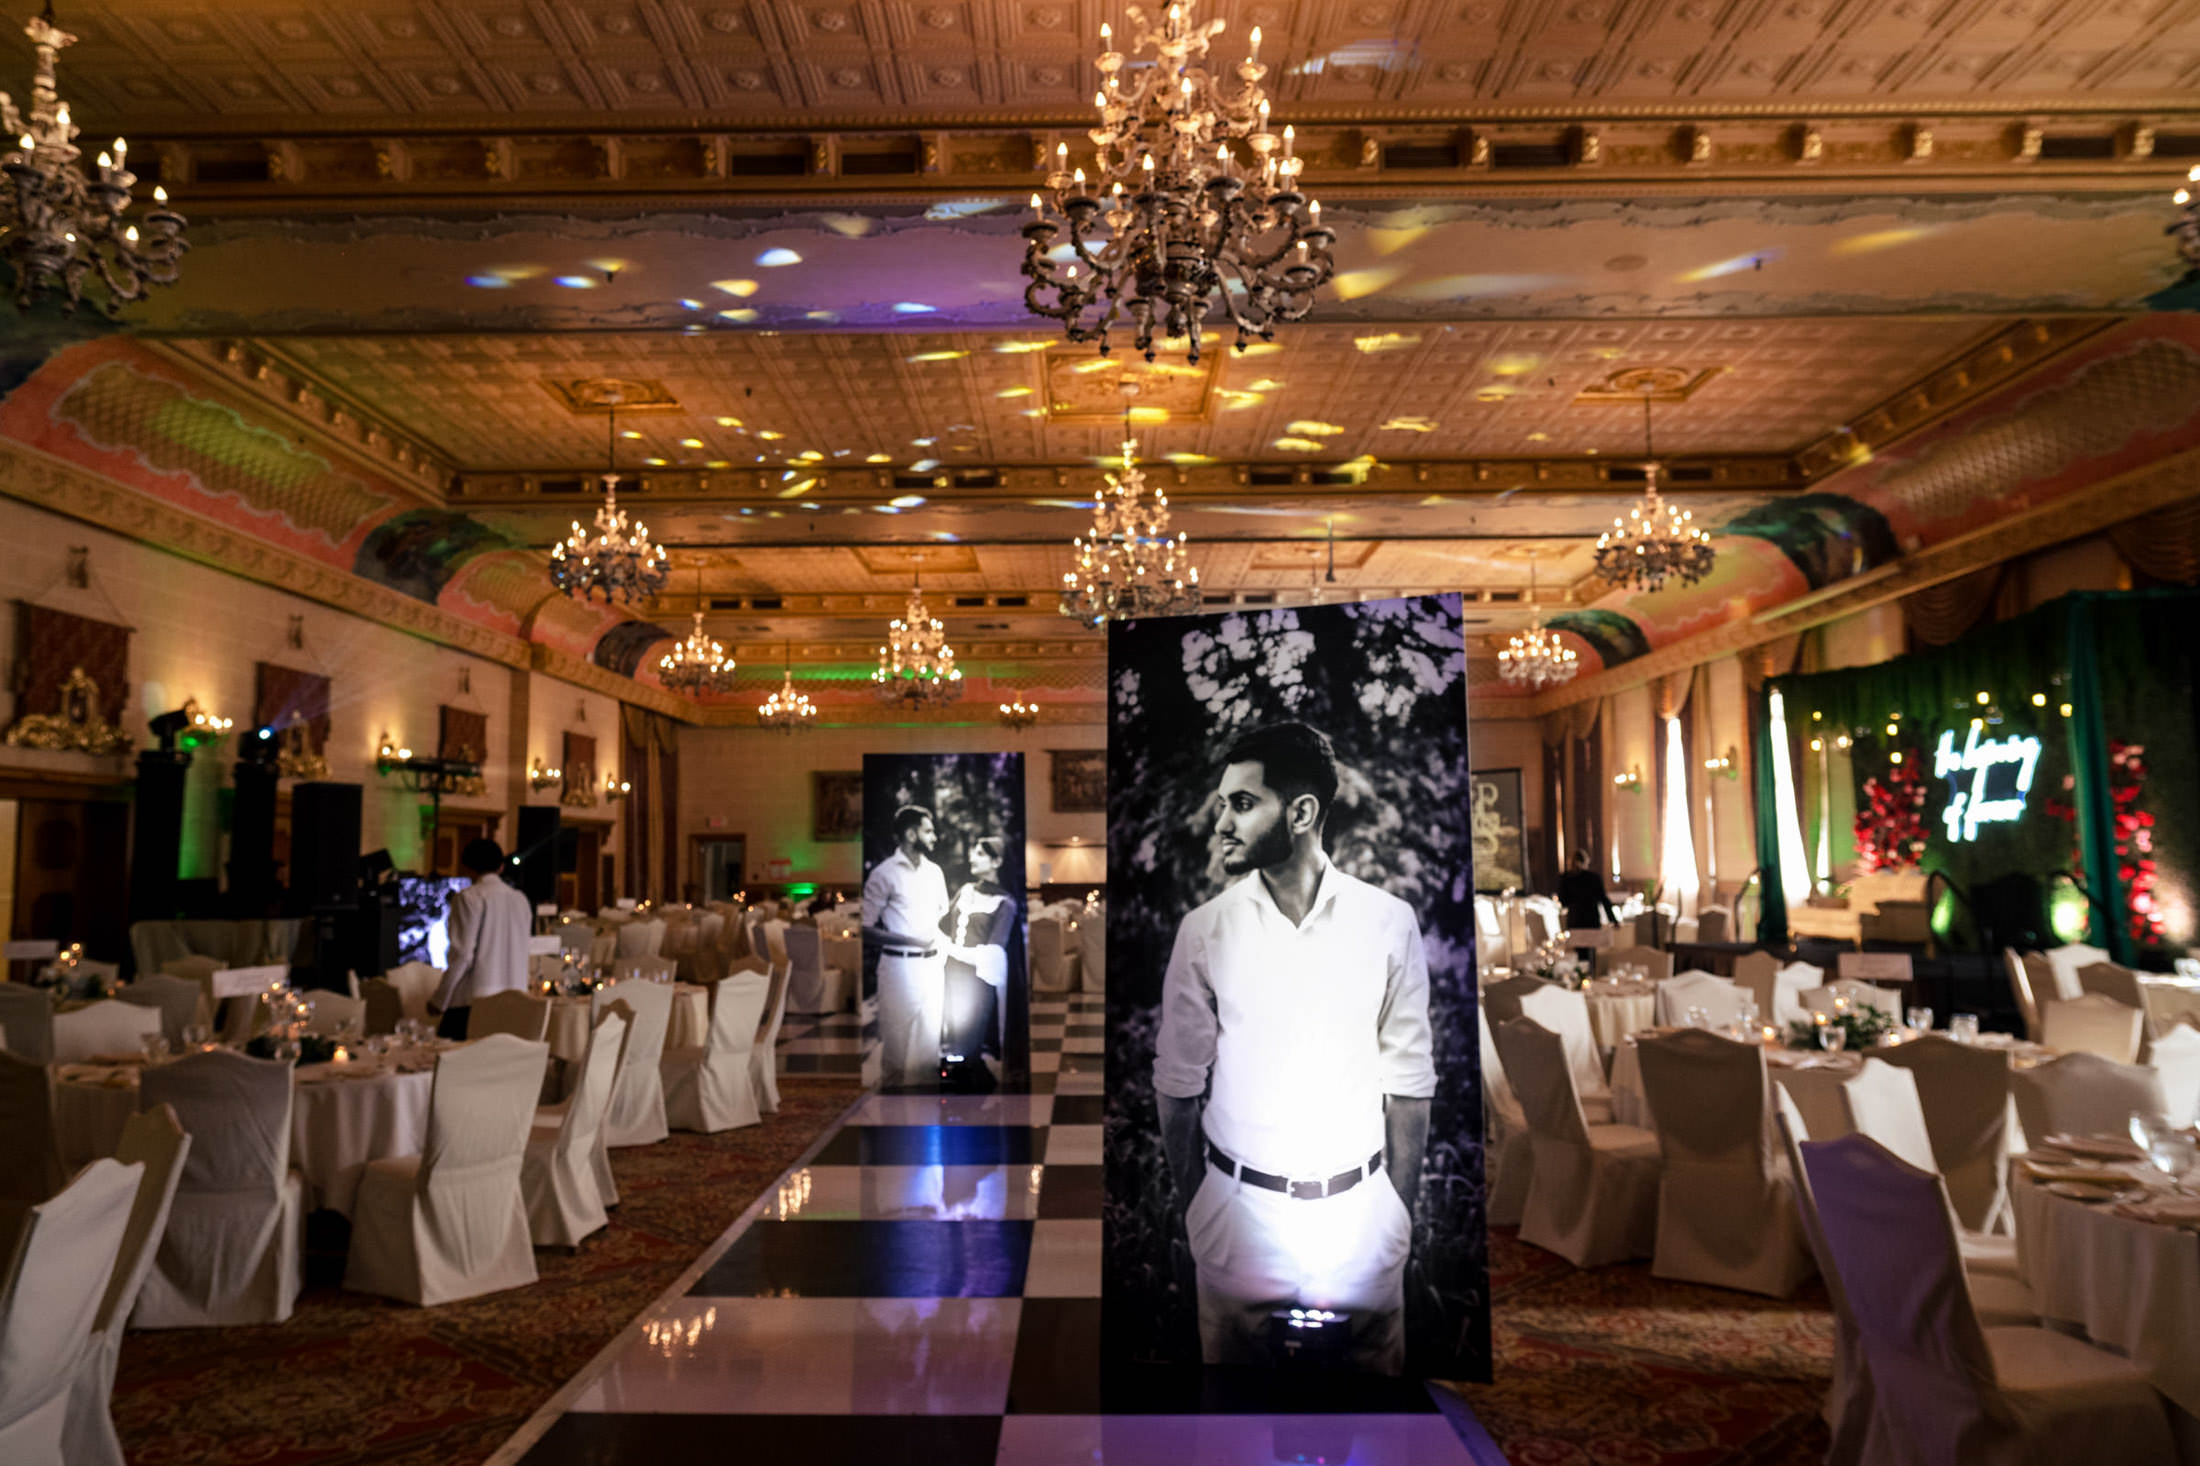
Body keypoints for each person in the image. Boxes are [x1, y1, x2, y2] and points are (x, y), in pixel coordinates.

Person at [1153, 721, 1434, 1375]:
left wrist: (1397, 1209)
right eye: (1224, 802)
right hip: (1236, 1220)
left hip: (1361, 1219)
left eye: (1243, 803)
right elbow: (1177, 1082)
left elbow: (1411, 1081)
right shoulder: (1205, 930)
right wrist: (1201, 1204)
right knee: (1232, 1426)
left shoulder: (1389, 922)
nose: (1222, 821)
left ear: (1302, 812)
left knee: (1375, 1427)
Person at [863, 804, 950, 1088]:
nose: (935, 836)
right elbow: (865, 928)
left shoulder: (935, 872)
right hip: (898, 968)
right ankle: (892, 1120)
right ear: (911, 834)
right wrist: (912, 940)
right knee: (896, 1052)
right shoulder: (883, 873)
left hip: (932, 967)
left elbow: (943, 917)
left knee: (928, 1051)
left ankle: (926, 1119)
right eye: (928, 830)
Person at [427, 838, 533, 1040]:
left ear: (466, 867)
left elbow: (463, 955)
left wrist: (440, 999)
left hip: (474, 1003)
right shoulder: (521, 899)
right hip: (516, 1000)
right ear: (501, 867)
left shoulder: (469, 897)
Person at [941, 836, 1018, 1075]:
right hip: (948, 975)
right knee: (948, 1035)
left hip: (976, 982)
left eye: (981, 853)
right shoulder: (965, 891)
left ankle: (969, 1100)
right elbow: (942, 926)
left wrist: (951, 949)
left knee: (969, 1038)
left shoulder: (1005, 902)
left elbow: (993, 953)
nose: (971, 857)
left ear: (997, 861)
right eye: (972, 851)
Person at [1556, 847, 1619, 961]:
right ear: (1586, 861)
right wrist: (1613, 920)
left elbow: (1563, 901)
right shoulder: (1594, 878)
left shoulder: (1566, 878)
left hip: (1576, 920)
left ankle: (1582, 976)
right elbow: (1604, 899)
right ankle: (1590, 975)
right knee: (1591, 955)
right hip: (1591, 920)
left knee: (1580, 955)